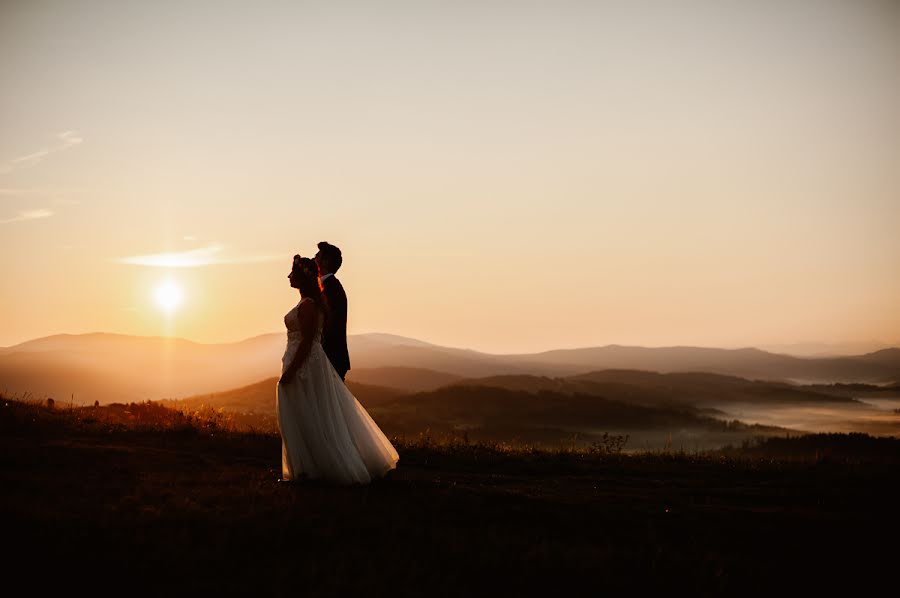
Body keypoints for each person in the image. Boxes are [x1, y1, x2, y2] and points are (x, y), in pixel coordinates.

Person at [276, 255, 398, 484]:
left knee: (308, 413)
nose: (289, 276)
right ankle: (304, 467)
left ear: (302, 277)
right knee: (305, 413)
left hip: (304, 366)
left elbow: (307, 340)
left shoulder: (309, 306)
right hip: (304, 362)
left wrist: (292, 370)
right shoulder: (310, 303)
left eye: (292, 273)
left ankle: (312, 468)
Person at [314, 241, 350, 381]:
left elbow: (331, 324)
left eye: (317, 256)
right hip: (330, 356)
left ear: (325, 261)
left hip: (331, 357)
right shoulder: (328, 286)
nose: (313, 259)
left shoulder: (332, 288)